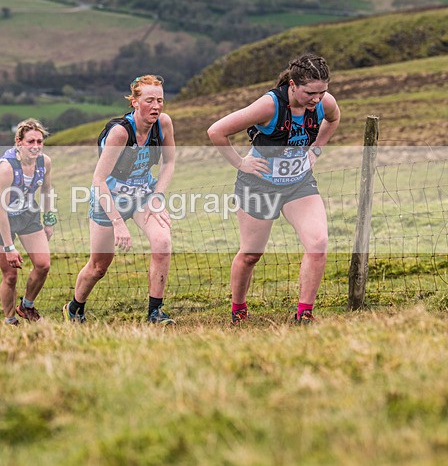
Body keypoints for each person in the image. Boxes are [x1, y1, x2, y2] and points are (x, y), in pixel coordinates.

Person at [207, 53, 341, 324]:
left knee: (318, 243)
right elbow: (216, 131)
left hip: (298, 184)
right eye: (310, 93)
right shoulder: (268, 106)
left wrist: (316, 151)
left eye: (322, 92)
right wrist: (241, 164)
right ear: (292, 85)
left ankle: (304, 314)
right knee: (251, 254)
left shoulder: (324, 102)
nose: (316, 99)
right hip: (259, 185)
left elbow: (334, 118)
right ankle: (239, 310)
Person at [65, 74, 176, 324]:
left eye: (160, 100)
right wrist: (117, 222)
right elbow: (98, 180)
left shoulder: (164, 124)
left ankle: (154, 313)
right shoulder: (119, 133)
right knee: (99, 266)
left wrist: (157, 197)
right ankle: (75, 307)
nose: (156, 106)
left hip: (142, 195)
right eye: (149, 100)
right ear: (135, 102)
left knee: (162, 243)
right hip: (108, 199)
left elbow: (169, 162)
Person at [0, 119, 55, 326]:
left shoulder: (45, 162)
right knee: (11, 276)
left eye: (39, 142)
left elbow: (46, 190)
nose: (35, 146)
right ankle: (10, 320)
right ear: (19, 142)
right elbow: (1, 210)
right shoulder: (7, 168)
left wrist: (48, 220)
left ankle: (26, 306)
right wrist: (9, 247)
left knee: (43, 265)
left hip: (27, 212)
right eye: (30, 141)